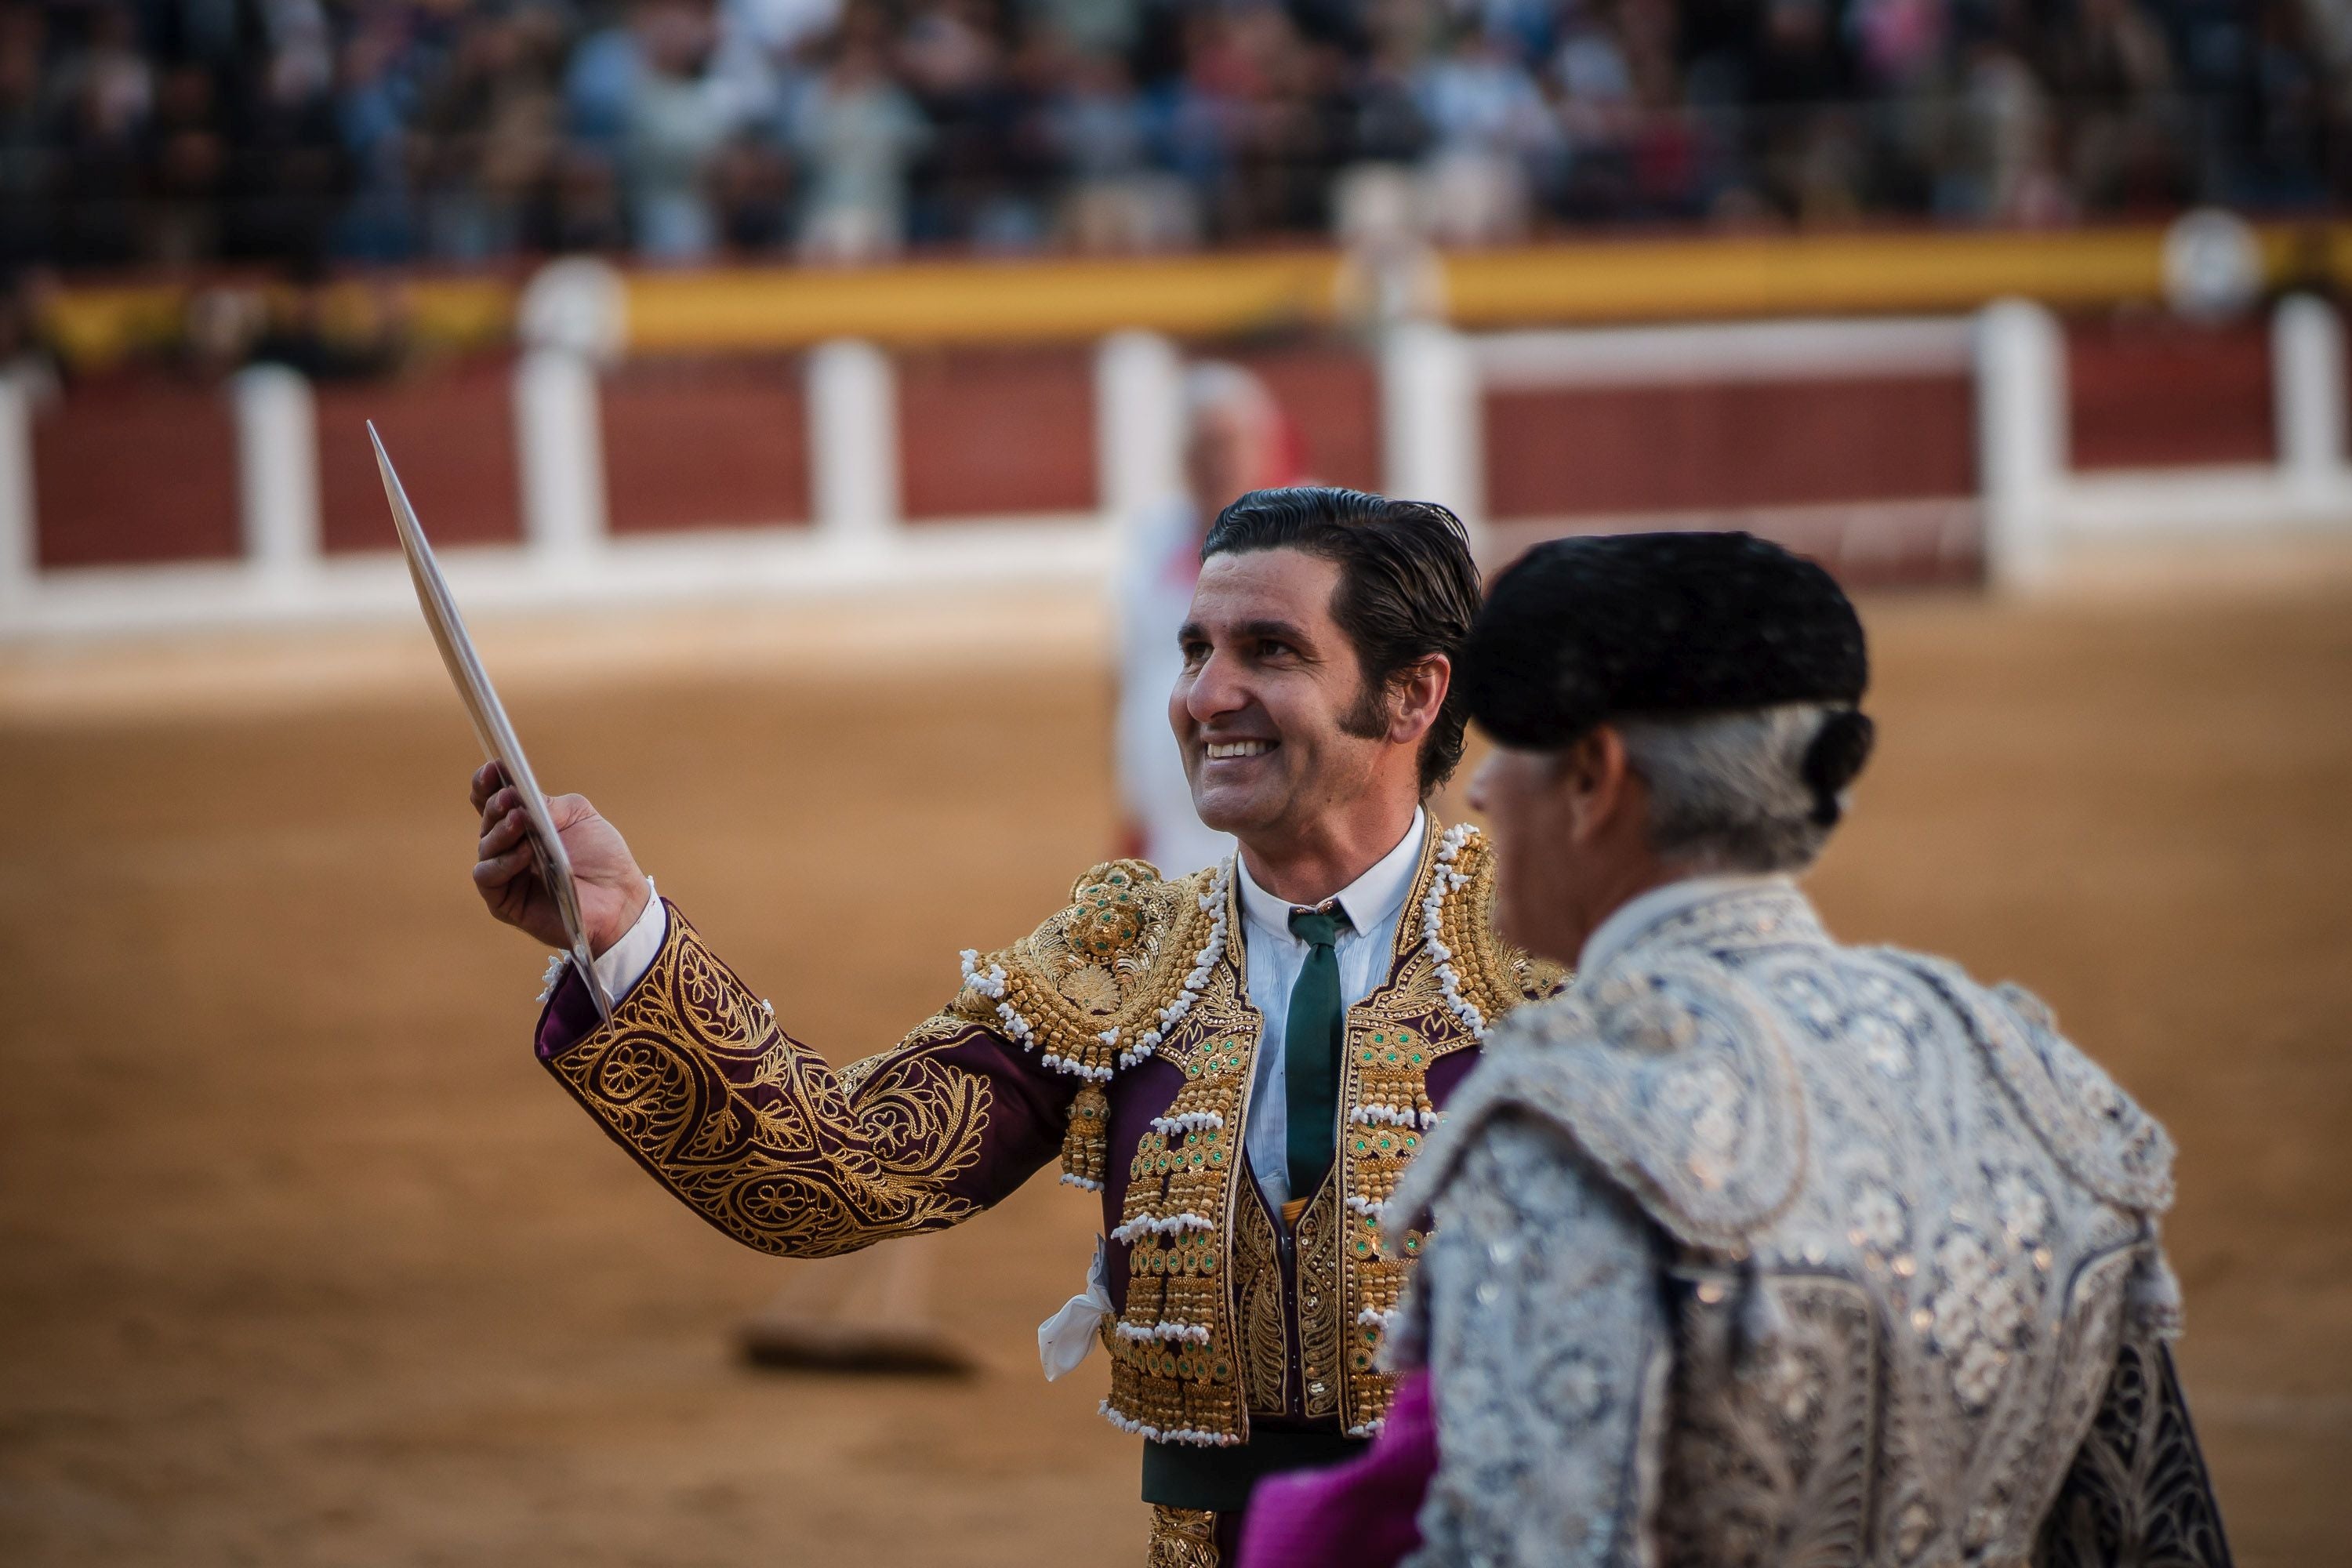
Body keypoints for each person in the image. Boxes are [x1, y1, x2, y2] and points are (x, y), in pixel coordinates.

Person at [466, 487, 1566, 1565]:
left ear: (1414, 696)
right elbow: (838, 1171)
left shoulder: (1552, 945)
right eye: (1195, 650)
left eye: (1270, 652)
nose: (1203, 694)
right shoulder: (1124, 951)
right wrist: (624, 936)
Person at [1238, 532, 2230, 1568]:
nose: (1482, 795)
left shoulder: (1580, 1127)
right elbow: (2153, 1536)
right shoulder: (2032, 1079)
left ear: (1592, 779)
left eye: (1510, 755)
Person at [1113, 361, 1301, 877]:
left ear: (1265, 446)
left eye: (1227, 444)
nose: (1214, 463)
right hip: (1172, 837)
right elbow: (1129, 695)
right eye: (1201, 448)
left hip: (1273, 835)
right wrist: (1133, 818)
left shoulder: (1314, 546)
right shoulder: (1153, 547)